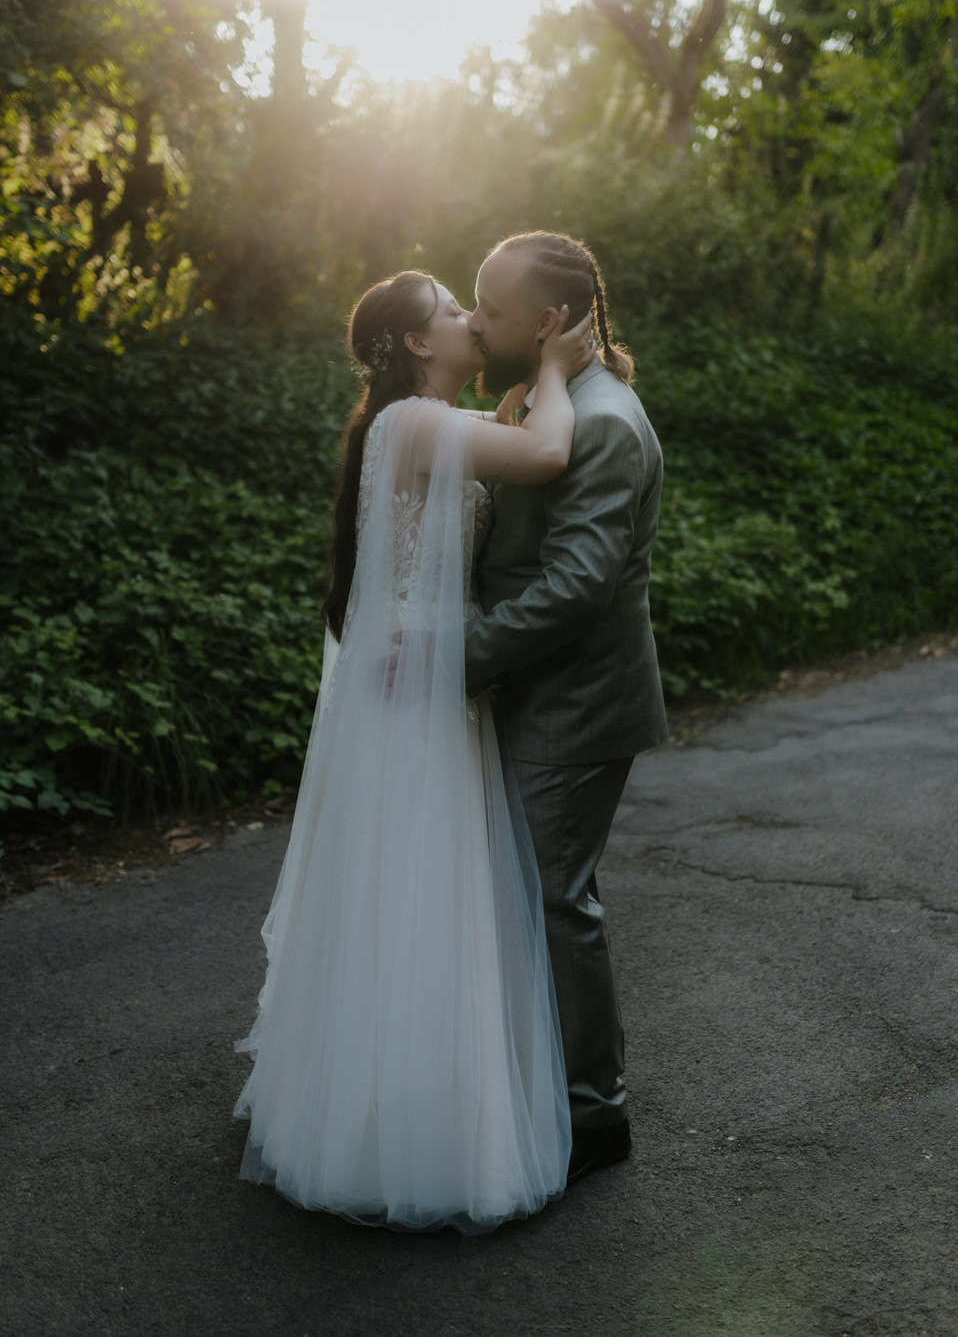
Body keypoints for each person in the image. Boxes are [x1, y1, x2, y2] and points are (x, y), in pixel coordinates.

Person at [234, 270, 594, 1233]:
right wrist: (557, 369)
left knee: (416, 892)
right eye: (452, 310)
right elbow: (548, 452)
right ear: (417, 344)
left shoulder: (414, 422)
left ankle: (403, 1102)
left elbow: (503, 445)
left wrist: (524, 389)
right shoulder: (416, 424)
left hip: (427, 676)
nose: (472, 318)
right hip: (416, 688)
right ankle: (409, 1132)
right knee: (420, 888)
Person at [465, 231, 668, 1182]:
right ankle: (549, 1090)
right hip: (536, 691)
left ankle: (594, 1118)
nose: (475, 323)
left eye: (490, 309)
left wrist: (455, 657)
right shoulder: (550, 400)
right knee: (536, 896)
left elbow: (576, 588)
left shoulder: (603, 422)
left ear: (547, 321)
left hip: (574, 705)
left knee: (556, 900)